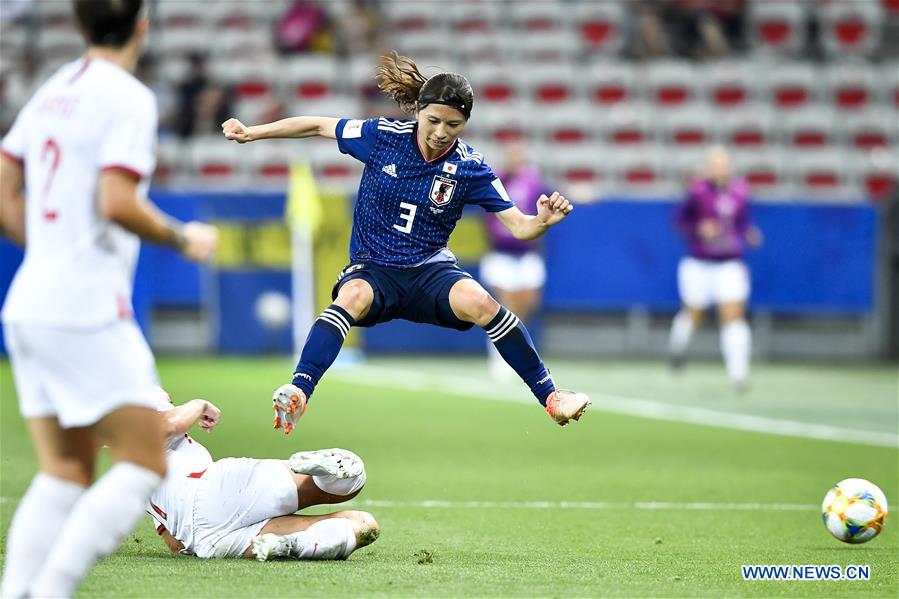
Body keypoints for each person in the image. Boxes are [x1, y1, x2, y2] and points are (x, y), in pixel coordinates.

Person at [222, 52, 591, 431]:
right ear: (418, 111)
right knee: (349, 298)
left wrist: (543, 222)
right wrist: (253, 132)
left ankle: (551, 396)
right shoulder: (383, 137)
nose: (441, 132)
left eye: (454, 124)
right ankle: (299, 390)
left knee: (482, 302)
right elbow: (317, 125)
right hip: (374, 268)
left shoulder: (470, 167)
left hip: (430, 271)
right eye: (433, 120)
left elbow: (520, 226)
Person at [0, 1, 218, 597]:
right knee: (144, 461)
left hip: (29, 302)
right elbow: (117, 201)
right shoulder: (127, 97)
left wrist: (44, 245)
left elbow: (3, 181)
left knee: (66, 471)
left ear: (78, 24)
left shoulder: (53, 89)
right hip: (85, 306)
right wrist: (183, 237)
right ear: (143, 25)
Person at [148, 389, 379, 561]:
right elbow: (167, 424)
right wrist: (199, 404)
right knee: (352, 481)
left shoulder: (132, 474)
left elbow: (175, 544)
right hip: (216, 489)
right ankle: (333, 472)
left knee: (365, 525)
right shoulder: (131, 398)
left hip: (208, 543)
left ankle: (295, 545)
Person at [668, 146, 761, 390]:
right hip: (699, 263)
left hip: (729, 263)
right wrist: (698, 229)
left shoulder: (741, 192)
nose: (719, 170)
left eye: (723, 164)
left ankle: (738, 373)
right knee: (693, 313)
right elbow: (679, 221)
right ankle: (678, 349)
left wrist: (748, 233)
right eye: (715, 165)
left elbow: (742, 222)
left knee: (733, 316)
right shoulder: (697, 192)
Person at [479, 142, 550, 381]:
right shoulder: (497, 180)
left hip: (527, 253)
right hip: (500, 253)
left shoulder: (531, 180)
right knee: (506, 305)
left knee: (528, 303)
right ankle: (501, 356)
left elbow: (550, 195)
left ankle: (510, 345)